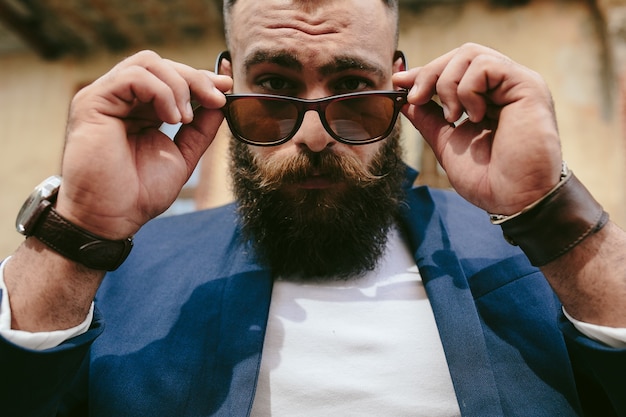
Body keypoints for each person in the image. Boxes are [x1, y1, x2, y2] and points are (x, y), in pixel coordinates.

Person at [1, 0, 625, 415]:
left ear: (401, 83)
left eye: (354, 89)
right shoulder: (118, 274)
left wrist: (549, 214)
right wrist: (77, 228)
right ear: (224, 83)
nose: (315, 135)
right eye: (274, 87)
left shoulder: (530, 256)